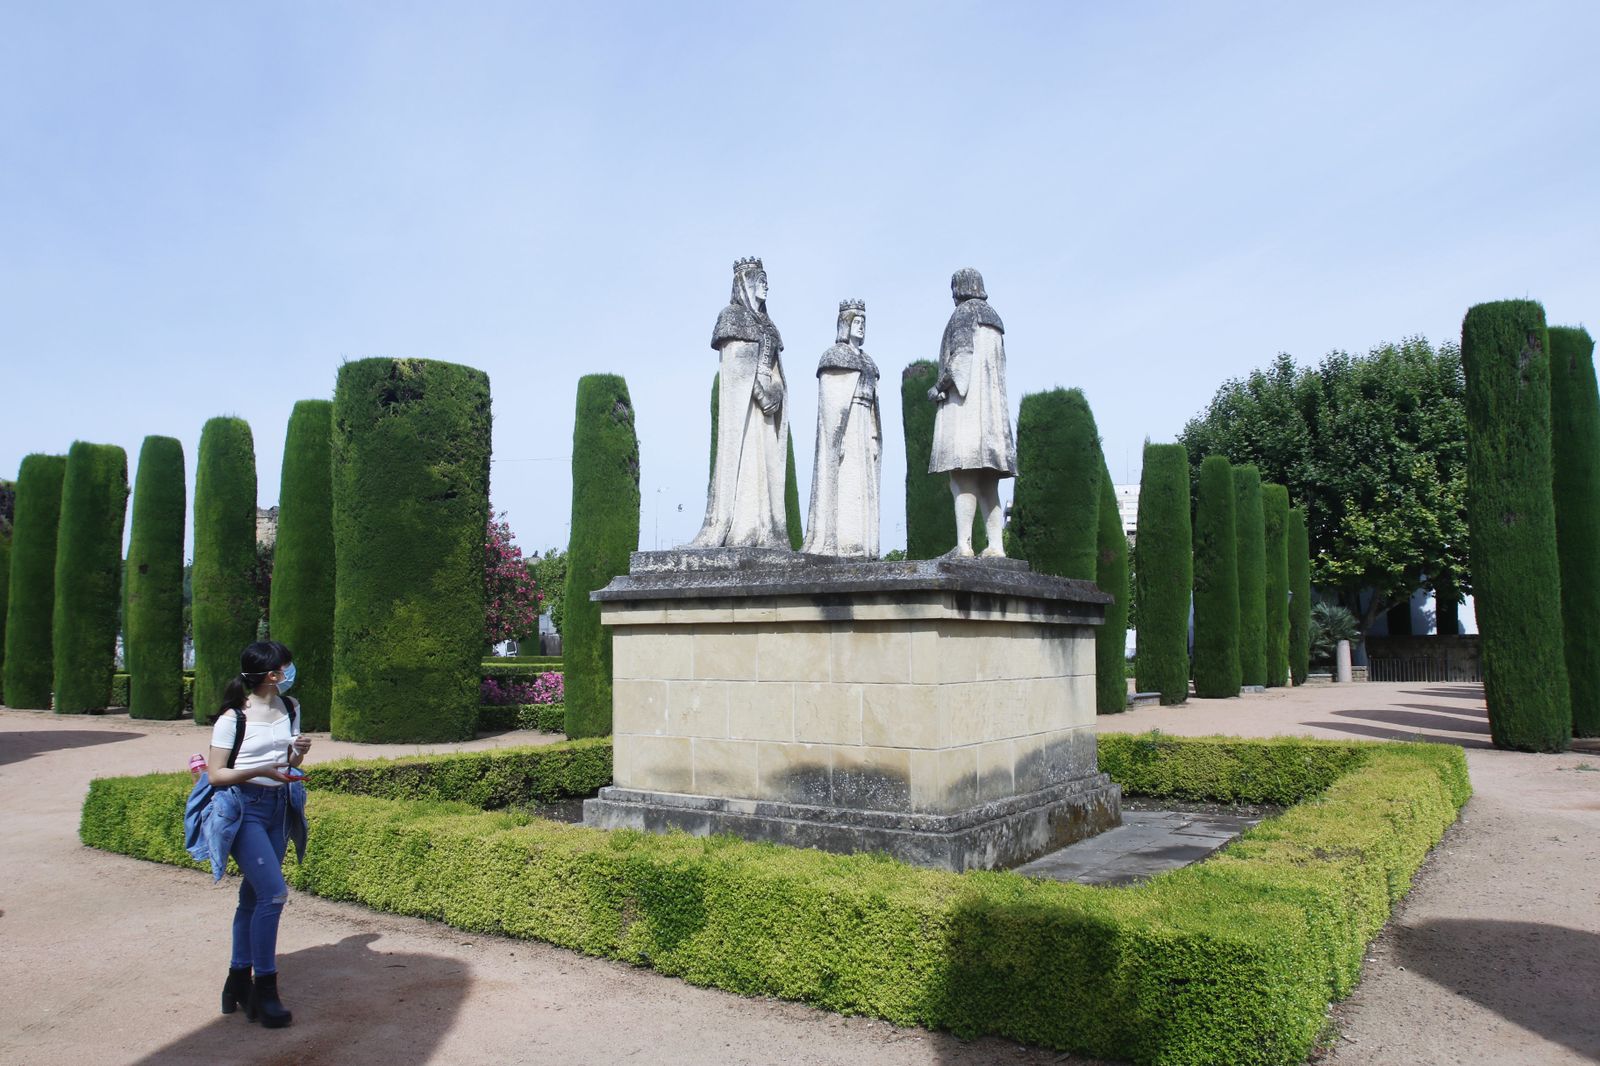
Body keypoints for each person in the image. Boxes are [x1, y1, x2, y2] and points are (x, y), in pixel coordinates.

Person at [205, 640, 312, 1029]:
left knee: (251, 896)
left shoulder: (291, 707)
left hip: (278, 807)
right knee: (273, 893)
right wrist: (260, 771)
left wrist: (299, 752)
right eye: (286, 665)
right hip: (242, 808)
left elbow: (291, 762)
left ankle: (236, 981)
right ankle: (265, 988)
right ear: (272, 674)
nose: (290, 670)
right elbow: (217, 774)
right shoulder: (233, 718)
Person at [689, 256, 791, 548]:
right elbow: (736, 369)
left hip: (767, 408)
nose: (766, 286)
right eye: (761, 280)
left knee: (768, 467)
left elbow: (776, 371)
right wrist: (759, 394)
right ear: (745, 283)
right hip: (746, 406)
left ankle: (767, 531)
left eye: (767, 281)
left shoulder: (770, 327)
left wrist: (776, 394)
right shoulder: (732, 318)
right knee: (747, 461)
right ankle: (744, 528)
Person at [927, 267, 1016, 556]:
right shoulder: (995, 320)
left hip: (967, 413)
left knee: (962, 477)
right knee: (989, 484)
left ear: (960, 288)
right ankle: (996, 546)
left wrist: (939, 387)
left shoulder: (964, 315)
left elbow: (961, 362)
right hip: (992, 417)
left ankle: (964, 545)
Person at [801, 298, 881, 557]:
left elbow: (874, 408)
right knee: (846, 483)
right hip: (847, 428)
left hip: (863, 425)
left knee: (863, 488)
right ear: (844, 325)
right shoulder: (835, 357)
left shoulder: (869, 363)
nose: (861, 328)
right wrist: (839, 437)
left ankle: (862, 544)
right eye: (856, 322)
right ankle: (845, 544)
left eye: (863, 323)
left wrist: (873, 434)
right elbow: (832, 407)